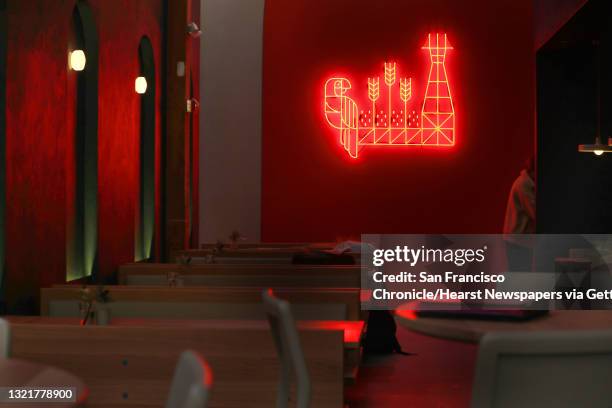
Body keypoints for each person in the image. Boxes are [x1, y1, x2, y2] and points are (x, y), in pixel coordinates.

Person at [504, 156, 536, 271]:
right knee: (520, 275)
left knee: (519, 275)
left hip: (517, 240)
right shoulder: (524, 185)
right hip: (519, 241)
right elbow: (534, 212)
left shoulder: (523, 182)